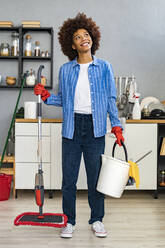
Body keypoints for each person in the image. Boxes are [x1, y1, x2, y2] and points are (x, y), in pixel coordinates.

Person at [34, 13, 124, 238]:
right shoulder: (66, 70)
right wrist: (45, 96)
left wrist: (116, 125)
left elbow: (110, 99)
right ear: (71, 44)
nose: (83, 38)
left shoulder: (104, 67)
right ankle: (69, 221)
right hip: (72, 128)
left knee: (95, 180)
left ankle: (97, 219)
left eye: (86, 34)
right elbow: (62, 99)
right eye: (77, 36)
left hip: (95, 127)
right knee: (69, 180)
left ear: (92, 37)